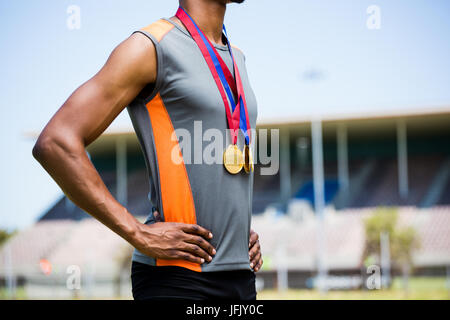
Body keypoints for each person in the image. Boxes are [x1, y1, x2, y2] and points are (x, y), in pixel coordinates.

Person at [33, 0, 262, 300]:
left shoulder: (238, 58)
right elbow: (56, 142)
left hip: (240, 277)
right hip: (177, 280)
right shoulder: (150, 47)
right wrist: (137, 233)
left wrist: (237, 231)